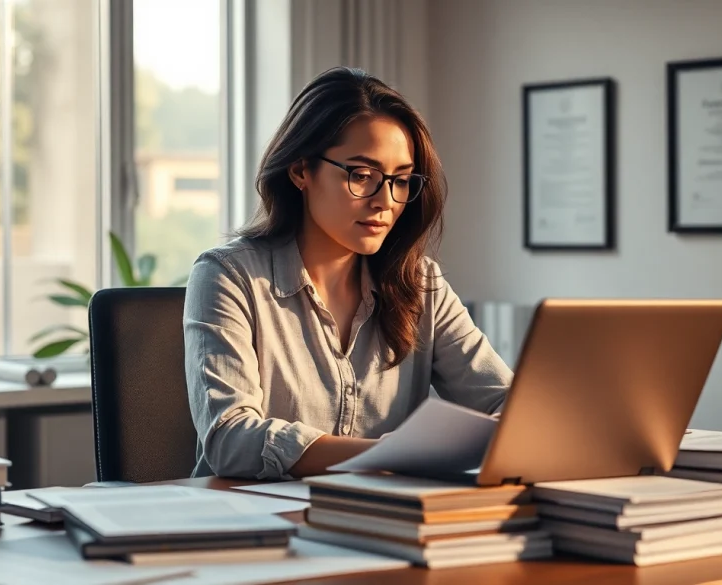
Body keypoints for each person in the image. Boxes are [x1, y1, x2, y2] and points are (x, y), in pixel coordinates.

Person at [183, 66, 512, 480]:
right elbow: (231, 439)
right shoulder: (228, 276)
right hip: (251, 526)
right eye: (362, 176)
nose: (385, 201)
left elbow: (506, 403)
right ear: (302, 170)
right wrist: (389, 454)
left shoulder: (421, 285)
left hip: (382, 524)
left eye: (400, 180)